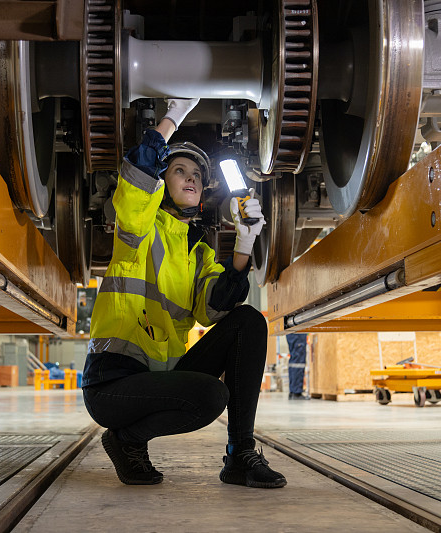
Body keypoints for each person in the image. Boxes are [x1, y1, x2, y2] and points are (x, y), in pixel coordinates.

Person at [81, 98, 286, 489]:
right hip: (114, 383)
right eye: (180, 170)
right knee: (210, 395)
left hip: (162, 379)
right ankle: (126, 440)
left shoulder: (199, 252)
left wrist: (244, 243)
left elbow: (215, 309)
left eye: (197, 175)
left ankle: (240, 454)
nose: (191, 178)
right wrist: (172, 117)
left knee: (248, 321)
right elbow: (137, 176)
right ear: (163, 182)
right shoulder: (140, 226)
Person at [285, 333, 308, 400]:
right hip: (297, 332)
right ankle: (296, 392)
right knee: (298, 360)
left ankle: (293, 391)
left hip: (293, 332)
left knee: (295, 359)